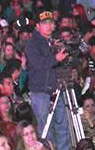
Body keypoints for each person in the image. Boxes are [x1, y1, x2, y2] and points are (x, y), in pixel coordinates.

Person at [25, 11, 70, 150]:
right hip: (40, 91)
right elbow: (38, 63)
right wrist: (55, 58)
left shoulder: (56, 40)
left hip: (57, 88)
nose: (48, 26)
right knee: (46, 127)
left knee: (63, 125)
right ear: (37, 26)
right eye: (44, 23)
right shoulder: (32, 43)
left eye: (51, 22)